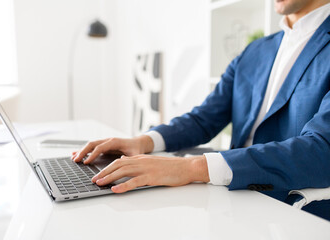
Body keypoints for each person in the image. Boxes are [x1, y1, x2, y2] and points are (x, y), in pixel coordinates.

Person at [73, 0, 330, 219]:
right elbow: (205, 118)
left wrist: (191, 168)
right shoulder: (257, 50)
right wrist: (142, 142)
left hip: (295, 210)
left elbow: (322, 150)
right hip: (233, 199)